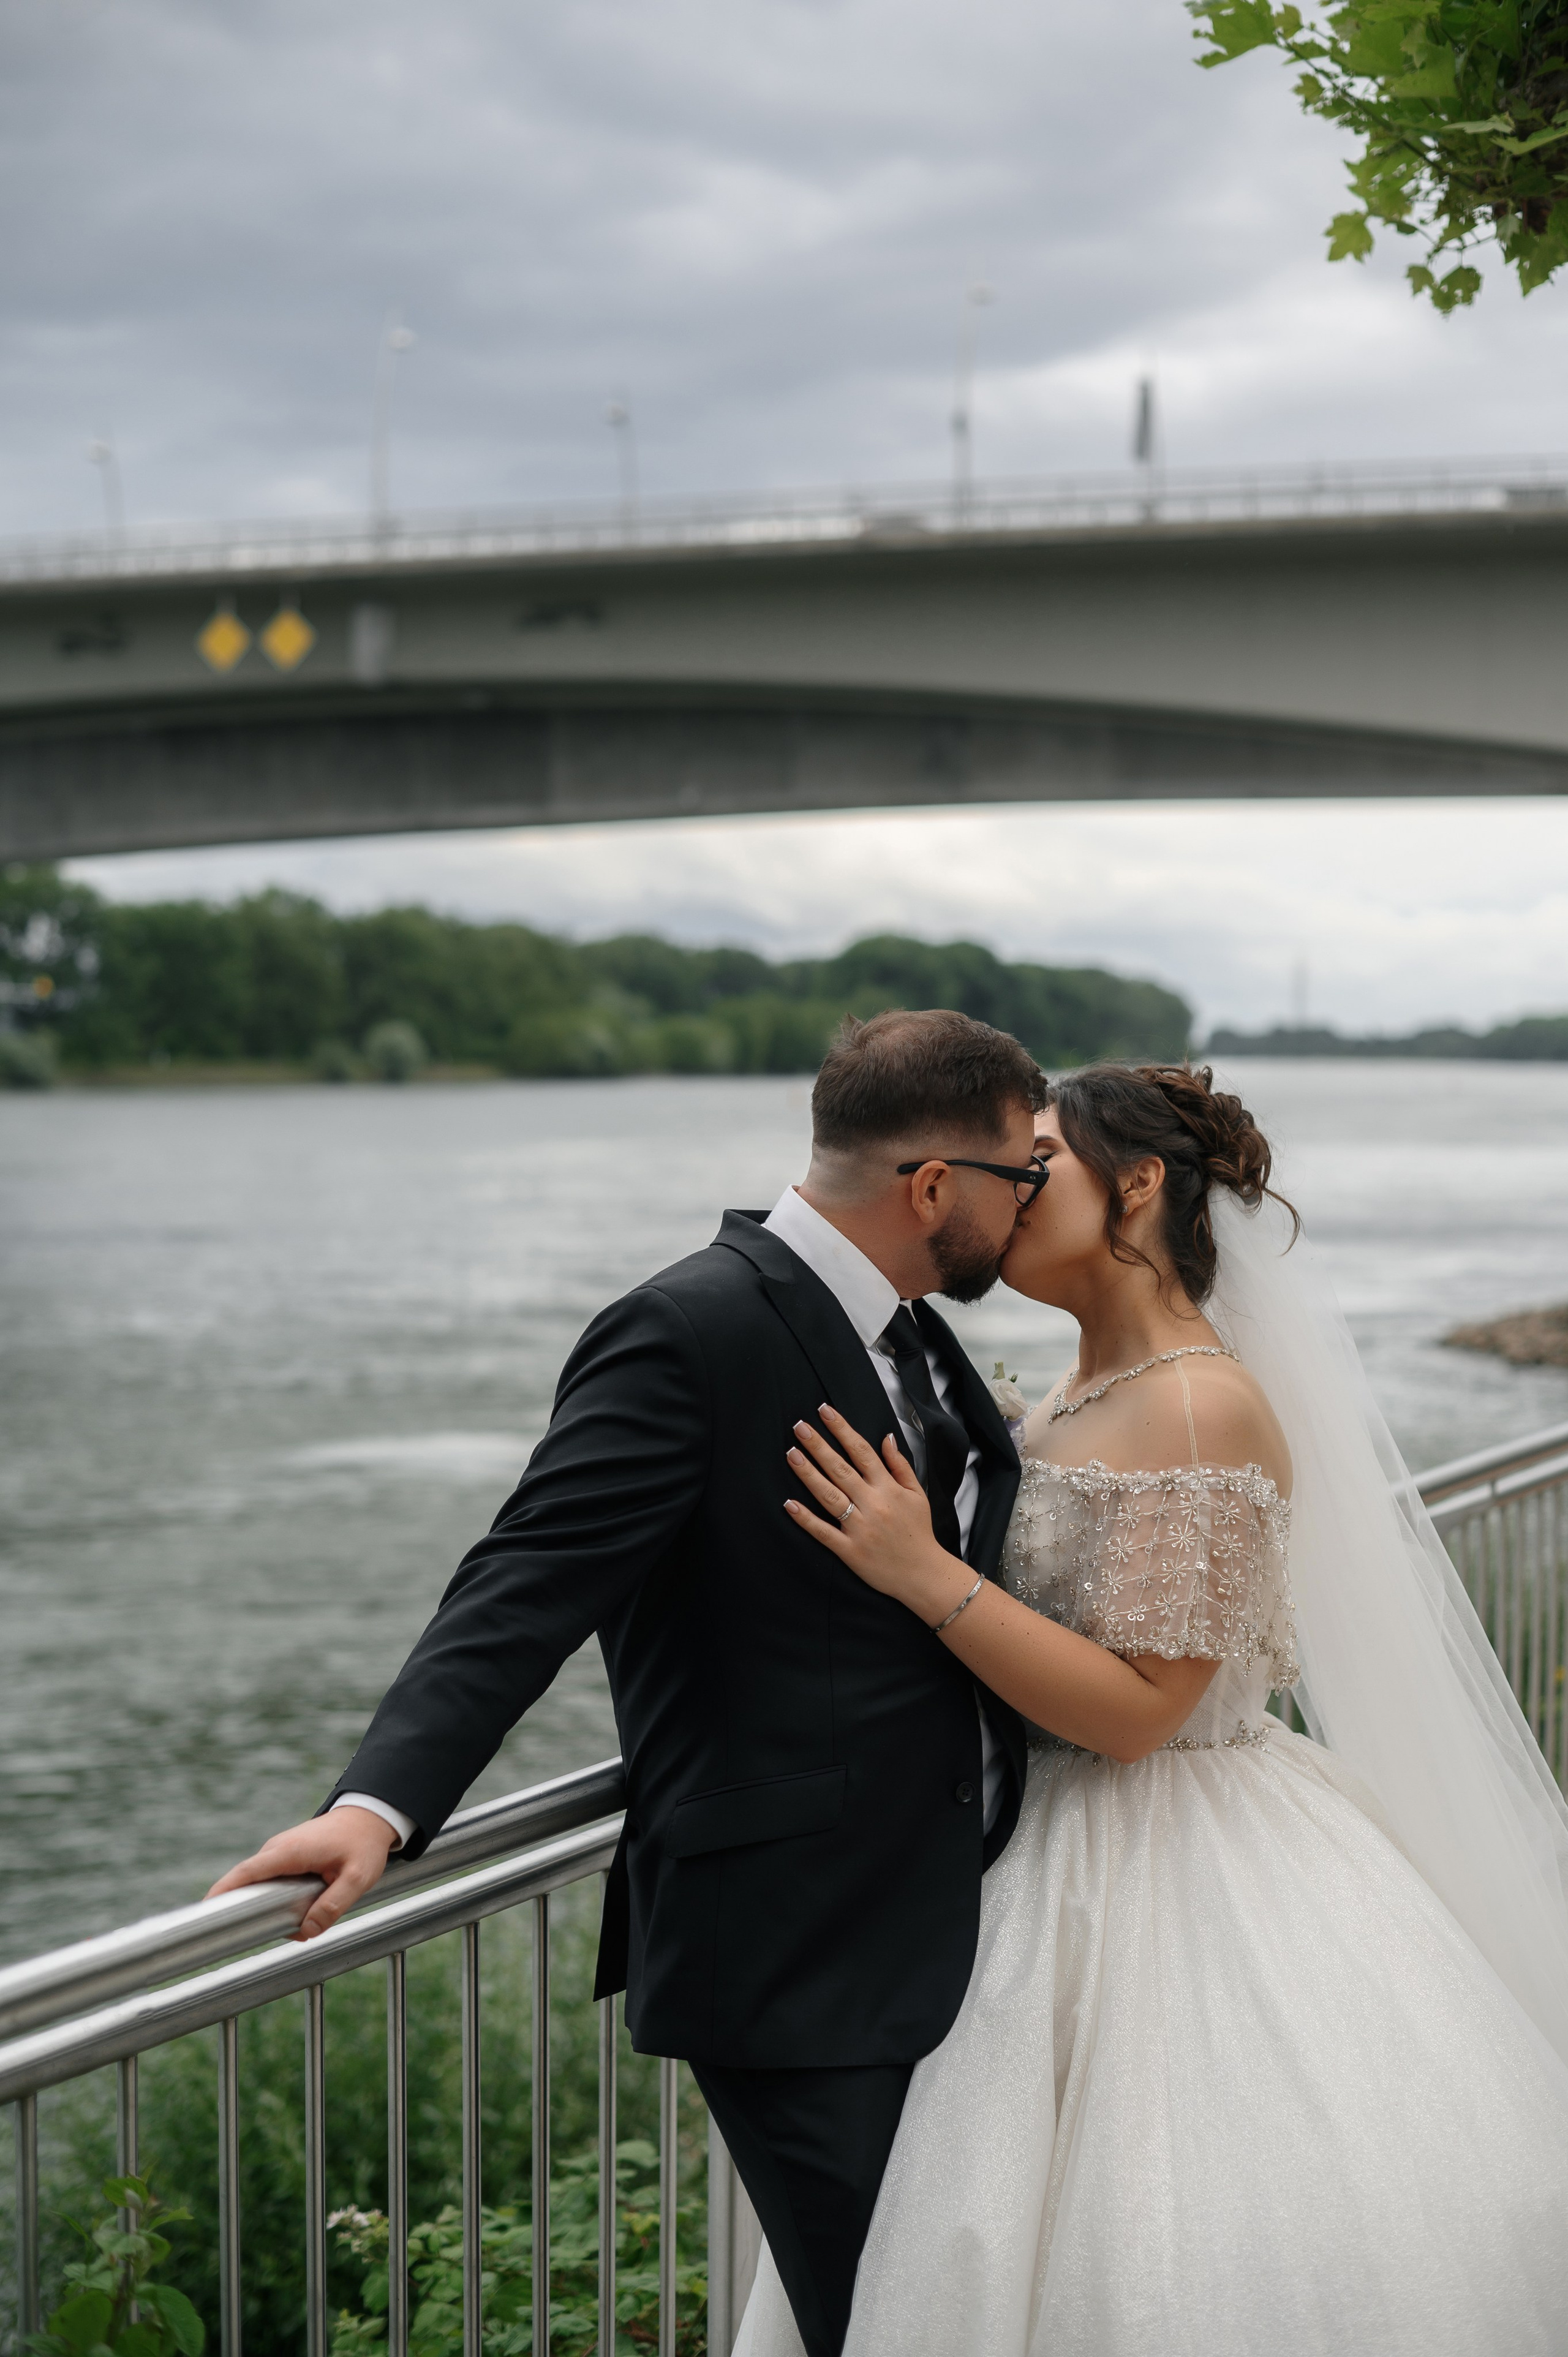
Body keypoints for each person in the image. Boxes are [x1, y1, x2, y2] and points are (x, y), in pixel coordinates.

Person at [209, 1007, 1050, 2357]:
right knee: (887, 2329)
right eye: (1021, 1176)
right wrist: (376, 1805)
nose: (1030, 1207)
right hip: (795, 1954)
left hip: (948, 1917)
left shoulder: (909, 1333)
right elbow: (527, 1578)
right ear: (934, 1184)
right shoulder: (689, 1328)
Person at [737, 1062, 1568, 2357]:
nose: (1012, 1190)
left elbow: (1138, 1714)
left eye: (1041, 1163)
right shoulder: (1075, 1389)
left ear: (1135, 1185)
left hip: (1168, 1853)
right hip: (1030, 1838)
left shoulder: (1197, 1402)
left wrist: (922, 1571)